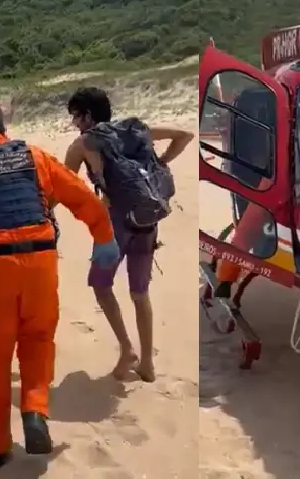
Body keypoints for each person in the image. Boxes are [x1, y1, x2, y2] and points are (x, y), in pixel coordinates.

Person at [0, 101, 119, 470]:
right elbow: (81, 197)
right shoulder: (35, 157)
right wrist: (104, 236)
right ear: (3, 131)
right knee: (38, 340)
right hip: (41, 264)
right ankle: (35, 410)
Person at [63, 87, 193, 382]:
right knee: (140, 292)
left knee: (101, 285)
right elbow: (184, 135)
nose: (74, 122)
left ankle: (127, 349)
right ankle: (147, 363)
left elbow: (64, 185)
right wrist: (161, 164)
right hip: (148, 219)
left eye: (75, 116)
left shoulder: (83, 144)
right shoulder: (135, 129)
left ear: (87, 116)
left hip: (114, 226)